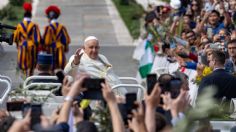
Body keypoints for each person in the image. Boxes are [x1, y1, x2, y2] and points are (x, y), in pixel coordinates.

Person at [13, 2, 41, 77]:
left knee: (23, 66)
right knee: (31, 66)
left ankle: (25, 79)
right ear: (31, 16)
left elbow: (15, 38)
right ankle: (30, 77)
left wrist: (17, 45)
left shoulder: (19, 26)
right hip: (32, 47)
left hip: (22, 47)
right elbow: (37, 39)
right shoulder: (34, 25)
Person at [43, 5, 71, 72]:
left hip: (50, 50)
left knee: (50, 68)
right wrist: (65, 48)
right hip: (60, 49)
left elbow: (46, 42)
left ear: (49, 18)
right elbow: (66, 40)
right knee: (61, 68)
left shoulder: (48, 28)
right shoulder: (62, 27)